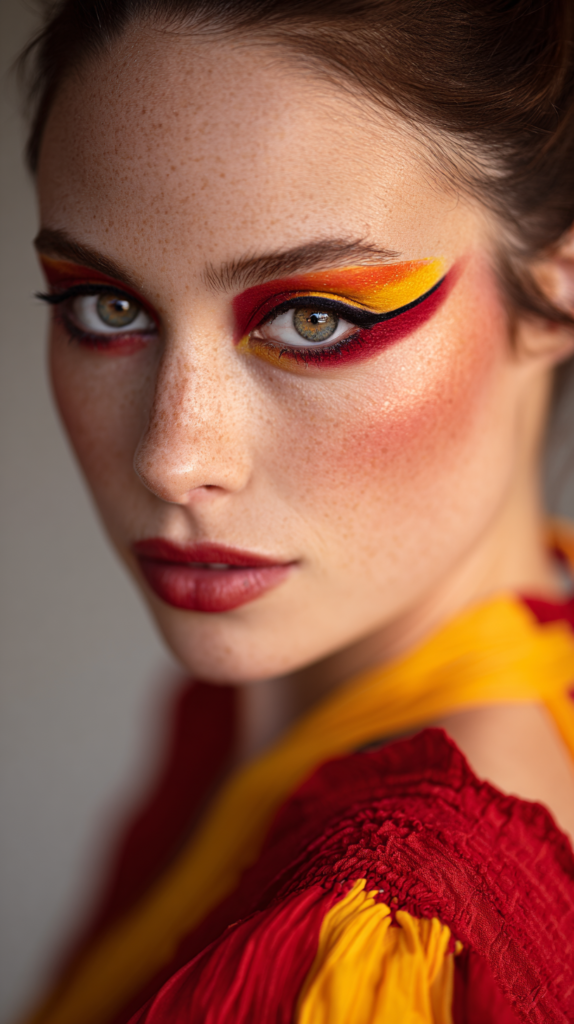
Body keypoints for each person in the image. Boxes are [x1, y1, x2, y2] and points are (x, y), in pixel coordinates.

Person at [18, 0, 574, 1020]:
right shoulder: (270, 712)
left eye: (313, 318)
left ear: (558, 286)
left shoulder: (382, 935)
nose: (174, 458)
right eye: (107, 304)